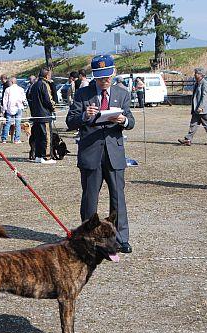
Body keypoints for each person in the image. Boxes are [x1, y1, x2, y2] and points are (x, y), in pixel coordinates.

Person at [66, 54, 135, 254]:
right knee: (90, 200)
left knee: (118, 198)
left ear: (113, 72)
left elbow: (131, 121)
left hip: (114, 154)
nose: (105, 81)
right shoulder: (82, 94)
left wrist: (123, 121)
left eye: (107, 76)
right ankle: (87, 239)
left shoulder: (122, 93)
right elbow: (70, 122)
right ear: (94, 76)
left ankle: (121, 239)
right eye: (100, 77)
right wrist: (84, 116)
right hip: (91, 154)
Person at [178, 68, 207, 146]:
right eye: (195, 73)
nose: (194, 75)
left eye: (196, 73)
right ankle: (188, 139)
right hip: (196, 109)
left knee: (206, 124)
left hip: (202, 109)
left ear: (201, 75)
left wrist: (201, 107)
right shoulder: (196, 84)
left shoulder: (205, 84)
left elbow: (205, 96)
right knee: (193, 124)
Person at [27, 67, 56, 164]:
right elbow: (48, 99)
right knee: (46, 137)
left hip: (36, 115)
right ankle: (46, 157)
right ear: (47, 75)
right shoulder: (44, 84)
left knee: (38, 137)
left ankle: (38, 156)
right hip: (44, 115)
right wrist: (53, 108)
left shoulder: (34, 85)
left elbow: (29, 98)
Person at [1, 77, 26, 143]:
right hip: (19, 108)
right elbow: (24, 99)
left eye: (9, 81)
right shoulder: (21, 89)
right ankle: (16, 139)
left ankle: (4, 139)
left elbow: (5, 101)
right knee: (18, 124)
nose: (8, 82)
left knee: (7, 124)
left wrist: (4, 110)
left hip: (10, 108)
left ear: (12, 82)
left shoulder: (7, 89)